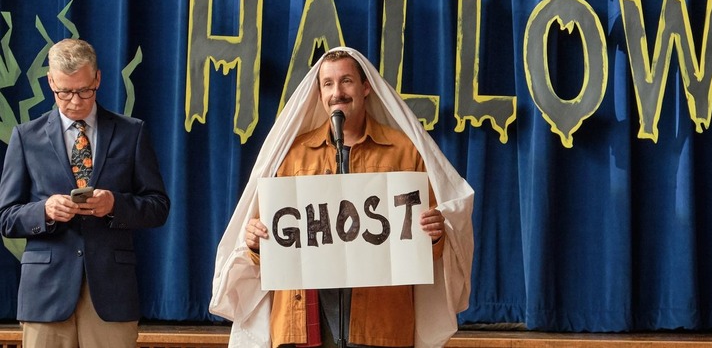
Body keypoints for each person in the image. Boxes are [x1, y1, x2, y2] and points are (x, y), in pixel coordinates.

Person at [211, 46, 474, 348]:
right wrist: (256, 242)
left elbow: (428, 249)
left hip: (379, 323)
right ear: (320, 93)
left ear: (365, 88)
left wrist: (435, 234)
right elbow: (270, 243)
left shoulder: (405, 151)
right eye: (328, 84)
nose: (337, 92)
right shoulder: (291, 156)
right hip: (303, 324)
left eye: (346, 81)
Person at [0, 38, 171, 348]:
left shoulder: (132, 132)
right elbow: (6, 217)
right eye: (64, 92)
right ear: (50, 81)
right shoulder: (26, 137)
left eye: (84, 91)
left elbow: (158, 207)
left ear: (98, 79)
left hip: (111, 293)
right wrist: (45, 210)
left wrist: (114, 204)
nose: (75, 101)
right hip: (45, 293)